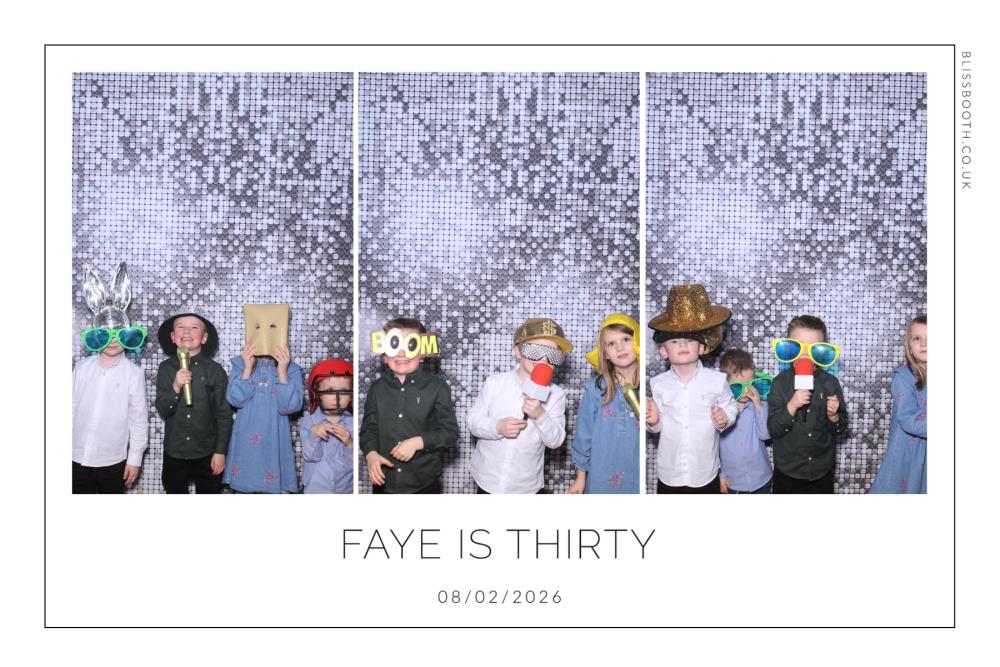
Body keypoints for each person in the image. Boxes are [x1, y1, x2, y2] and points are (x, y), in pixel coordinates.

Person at [646, 285, 737, 494]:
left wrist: (725, 417)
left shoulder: (717, 381)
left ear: (702, 347)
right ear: (663, 351)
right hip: (670, 474)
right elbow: (657, 426)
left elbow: (731, 406)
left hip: (705, 473)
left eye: (690, 340)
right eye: (674, 341)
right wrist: (653, 420)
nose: (682, 345)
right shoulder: (658, 384)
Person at [468, 318, 571, 494]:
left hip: (526, 486)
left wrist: (540, 415)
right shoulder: (495, 384)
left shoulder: (556, 395)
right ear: (518, 351)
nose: (544, 359)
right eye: (536, 350)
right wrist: (497, 427)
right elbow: (472, 420)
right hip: (487, 479)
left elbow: (556, 441)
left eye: (553, 354)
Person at [73, 262, 149, 493]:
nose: (113, 339)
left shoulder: (134, 374)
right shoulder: (81, 368)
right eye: (105, 332)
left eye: (119, 332)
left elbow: (138, 419)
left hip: (113, 460)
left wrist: (135, 458)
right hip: (75, 455)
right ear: (95, 333)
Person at [360, 317, 458, 493]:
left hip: (424, 483)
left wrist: (418, 442)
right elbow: (369, 430)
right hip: (384, 483)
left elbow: (450, 433)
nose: (401, 352)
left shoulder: (438, 387)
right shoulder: (376, 388)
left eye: (410, 345)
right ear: (384, 355)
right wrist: (371, 454)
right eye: (394, 345)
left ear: (422, 354)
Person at [766, 315, 848, 493]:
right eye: (798, 347)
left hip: (821, 472)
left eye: (813, 348)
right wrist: (792, 405)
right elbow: (773, 429)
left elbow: (841, 429)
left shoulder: (830, 383)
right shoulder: (779, 383)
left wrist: (834, 416)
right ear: (788, 347)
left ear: (822, 350)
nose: (804, 355)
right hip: (787, 472)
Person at [155, 308, 233, 494]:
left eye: (194, 327)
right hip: (175, 452)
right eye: (180, 327)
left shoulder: (215, 371)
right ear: (173, 337)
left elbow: (224, 414)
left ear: (204, 338)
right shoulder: (165, 368)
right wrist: (176, 386)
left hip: (207, 451)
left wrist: (220, 451)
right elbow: (163, 409)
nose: (187, 332)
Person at [224, 311, 303, 493]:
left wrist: (282, 372)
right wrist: (247, 368)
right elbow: (235, 400)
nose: (265, 332)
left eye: (273, 326)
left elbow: (290, 407)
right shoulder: (239, 364)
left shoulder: (292, 370)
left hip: (275, 440)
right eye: (258, 326)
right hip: (245, 443)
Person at [567, 314, 640, 494]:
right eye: (611, 343)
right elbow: (583, 435)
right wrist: (580, 478)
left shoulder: (649, 388)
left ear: (637, 342)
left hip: (637, 477)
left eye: (626, 339)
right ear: (605, 353)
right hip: (601, 478)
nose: (620, 347)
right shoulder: (595, 389)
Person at [870, 315, 927, 493]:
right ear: (909, 345)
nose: (924, 344)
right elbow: (908, 419)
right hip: (909, 453)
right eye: (917, 338)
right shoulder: (903, 377)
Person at [718, 348, 773, 494]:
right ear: (724, 384)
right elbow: (713, 445)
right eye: (738, 386)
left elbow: (765, 435)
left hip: (761, 478)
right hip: (732, 481)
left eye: (750, 384)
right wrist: (721, 473)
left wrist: (758, 405)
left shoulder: (760, 406)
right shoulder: (719, 412)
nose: (746, 391)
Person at [300, 358, 354, 494]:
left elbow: (353, 464)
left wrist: (350, 443)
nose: (337, 397)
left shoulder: (353, 424)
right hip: (315, 490)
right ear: (317, 393)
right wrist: (313, 434)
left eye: (344, 390)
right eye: (330, 390)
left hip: (345, 490)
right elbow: (310, 457)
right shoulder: (308, 422)